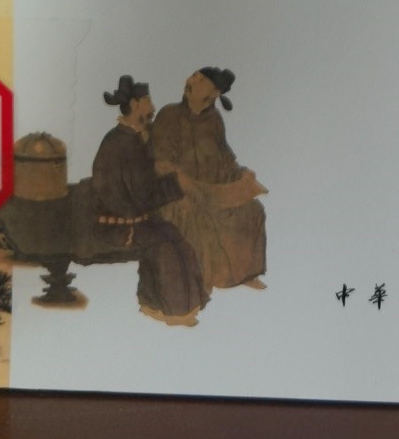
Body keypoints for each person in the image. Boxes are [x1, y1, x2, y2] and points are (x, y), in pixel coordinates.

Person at [88, 74, 207, 325]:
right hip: (118, 225)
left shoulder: (128, 137)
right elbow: (144, 196)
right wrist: (177, 184)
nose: (152, 108)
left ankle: (165, 303)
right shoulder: (125, 143)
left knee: (176, 237)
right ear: (134, 105)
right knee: (166, 246)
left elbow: (141, 186)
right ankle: (170, 309)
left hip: (133, 217)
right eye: (147, 102)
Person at [153, 69, 268, 294]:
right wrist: (181, 182)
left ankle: (242, 273)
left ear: (214, 92)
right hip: (173, 190)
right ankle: (198, 284)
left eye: (200, 79)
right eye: (193, 76)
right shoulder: (169, 114)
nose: (190, 80)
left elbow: (225, 158)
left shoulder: (214, 120)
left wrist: (242, 174)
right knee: (193, 214)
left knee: (253, 210)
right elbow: (160, 162)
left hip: (210, 191)